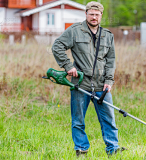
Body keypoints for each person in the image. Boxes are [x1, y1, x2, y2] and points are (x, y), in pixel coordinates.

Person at [52, 1, 126, 157]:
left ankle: (113, 148)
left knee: (109, 119)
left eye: (97, 14)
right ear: (85, 14)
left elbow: (111, 59)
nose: (94, 17)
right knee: (78, 120)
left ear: (101, 16)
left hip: (101, 85)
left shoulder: (107, 35)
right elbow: (57, 45)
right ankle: (81, 149)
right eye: (91, 14)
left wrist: (109, 80)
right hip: (80, 83)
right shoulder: (74, 31)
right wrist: (67, 66)